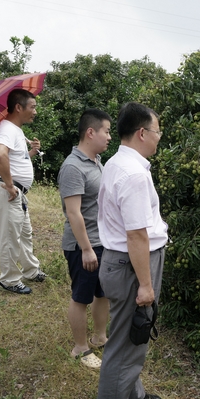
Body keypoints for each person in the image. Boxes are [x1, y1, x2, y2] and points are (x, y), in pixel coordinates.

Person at [93, 102, 168, 399]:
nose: (159, 136)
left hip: (121, 263)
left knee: (131, 337)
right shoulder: (134, 174)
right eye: (157, 130)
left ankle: (132, 394)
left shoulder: (115, 162)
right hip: (132, 266)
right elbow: (137, 236)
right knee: (125, 347)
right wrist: (147, 285)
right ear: (142, 133)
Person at [57, 109, 112, 368]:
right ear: (91, 132)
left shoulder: (96, 161)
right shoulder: (72, 166)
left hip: (101, 242)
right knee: (81, 297)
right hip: (83, 246)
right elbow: (73, 212)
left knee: (103, 293)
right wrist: (86, 249)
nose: (110, 137)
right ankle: (80, 348)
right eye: (107, 131)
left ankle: (99, 337)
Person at [0, 88, 46, 295]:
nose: (35, 111)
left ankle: (30, 270)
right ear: (18, 107)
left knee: (24, 235)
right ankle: (10, 280)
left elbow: (16, 159)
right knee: (10, 237)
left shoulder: (16, 130)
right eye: (33, 107)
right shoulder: (6, 129)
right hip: (7, 191)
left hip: (16, 194)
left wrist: (32, 152)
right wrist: (10, 184)